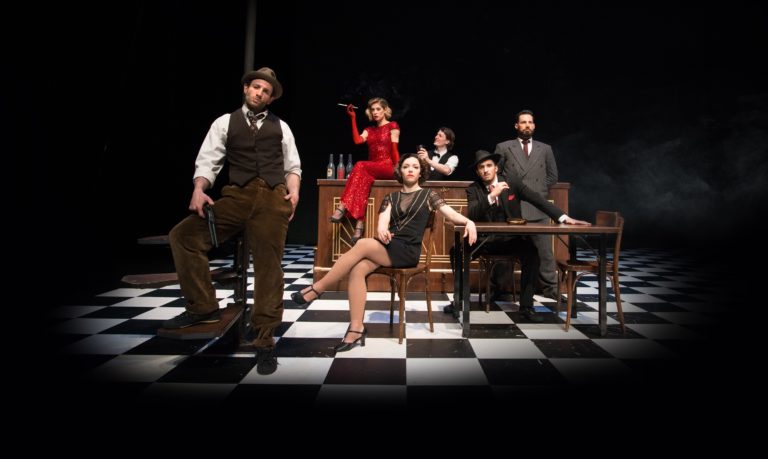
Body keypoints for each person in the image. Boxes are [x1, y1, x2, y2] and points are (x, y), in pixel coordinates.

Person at [162, 67, 301, 376]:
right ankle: (203, 308)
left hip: (271, 197)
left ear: (271, 98)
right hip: (237, 196)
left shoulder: (281, 127)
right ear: (246, 88)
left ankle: (264, 340)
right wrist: (199, 189)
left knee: (268, 267)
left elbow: (293, 165)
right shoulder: (224, 122)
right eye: (256, 87)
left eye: (266, 91)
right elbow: (208, 160)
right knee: (183, 236)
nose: (260, 93)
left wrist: (294, 192)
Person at [294, 154, 477, 351]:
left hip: (408, 251)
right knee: (358, 269)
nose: (410, 169)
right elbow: (383, 221)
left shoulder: (429, 195)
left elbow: (451, 214)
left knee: (363, 244)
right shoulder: (391, 197)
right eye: (406, 166)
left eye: (415, 167)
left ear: (420, 172)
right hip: (389, 246)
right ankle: (356, 328)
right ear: (400, 171)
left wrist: (469, 222)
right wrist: (382, 230)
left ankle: (317, 289)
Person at [445, 150, 590, 321]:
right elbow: (473, 213)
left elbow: (537, 200)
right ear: (477, 172)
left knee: (532, 252)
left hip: (511, 239)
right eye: (481, 167)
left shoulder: (512, 183)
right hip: (484, 241)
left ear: (496, 168)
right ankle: (459, 299)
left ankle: (526, 307)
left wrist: (564, 217)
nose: (485, 170)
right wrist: (492, 196)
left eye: (489, 166)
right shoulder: (473, 189)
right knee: (456, 251)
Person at [496, 109, 560, 299]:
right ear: (517, 125)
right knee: (505, 252)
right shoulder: (504, 147)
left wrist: (536, 191)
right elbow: (496, 174)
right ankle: (499, 288)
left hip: (537, 208)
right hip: (512, 208)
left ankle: (551, 288)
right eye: (523, 122)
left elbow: (553, 176)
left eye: (530, 122)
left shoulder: (545, 148)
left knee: (545, 253)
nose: (527, 125)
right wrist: (511, 191)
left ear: (534, 125)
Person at [329, 98, 400, 243]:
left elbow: (394, 150)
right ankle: (359, 225)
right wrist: (353, 118)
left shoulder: (392, 126)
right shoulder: (369, 130)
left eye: (378, 109)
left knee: (360, 165)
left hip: (388, 167)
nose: (375, 112)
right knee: (363, 183)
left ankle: (342, 206)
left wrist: (398, 169)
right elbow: (357, 140)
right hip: (372, 168)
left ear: (385, 110)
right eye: (372, 110)